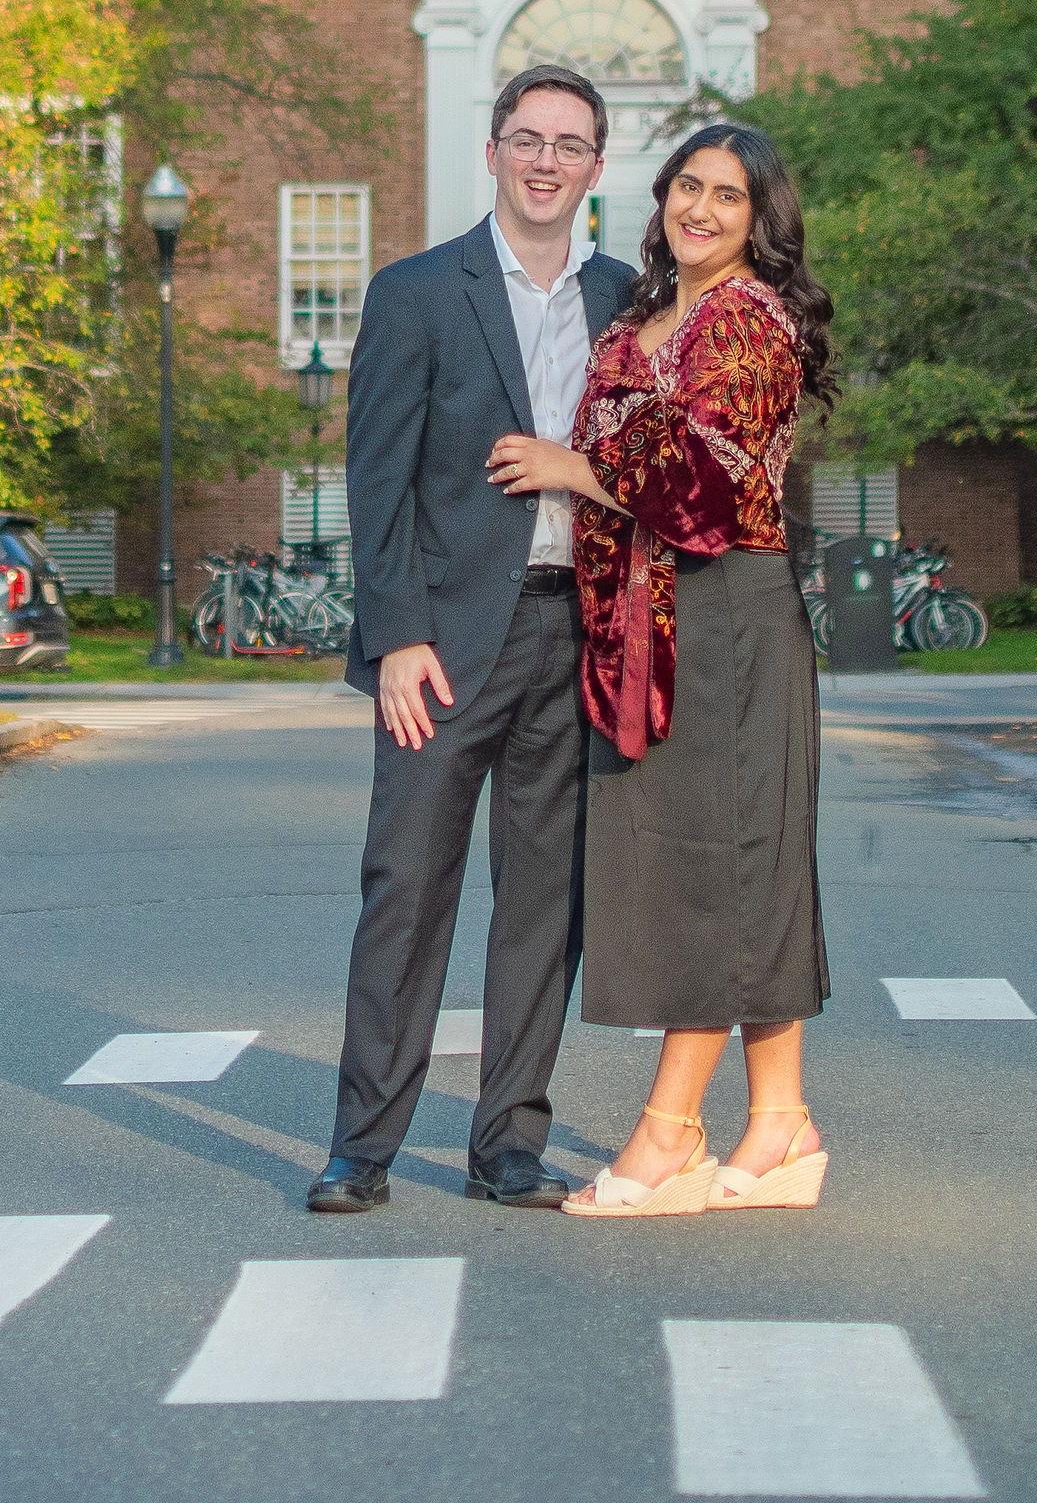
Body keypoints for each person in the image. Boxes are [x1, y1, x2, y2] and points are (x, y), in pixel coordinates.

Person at [483, 118, 835, 1218]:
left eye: (728, 197)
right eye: (688, 186)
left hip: (726, 609)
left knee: (712, 868)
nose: (700, 209)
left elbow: (706, 488)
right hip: (651, 609)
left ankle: (668, 1133)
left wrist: (568, 465)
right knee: (740, 862)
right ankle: (779, 1126)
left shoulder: (750, 319)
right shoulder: (652, 313)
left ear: (759, 220)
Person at [307, 63, 635, 1214]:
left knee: (546, 900)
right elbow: (376, 474)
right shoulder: (417, 292)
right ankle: (363, 1148)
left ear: (598, 167)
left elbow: (654, 468)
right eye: (529, 138)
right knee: (407, 888)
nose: (548, 161)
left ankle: (508, 1146)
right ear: (493, 151)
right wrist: (395, 635)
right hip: (443, 645)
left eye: (571, 145)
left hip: (573, 635)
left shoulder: (627, 300)